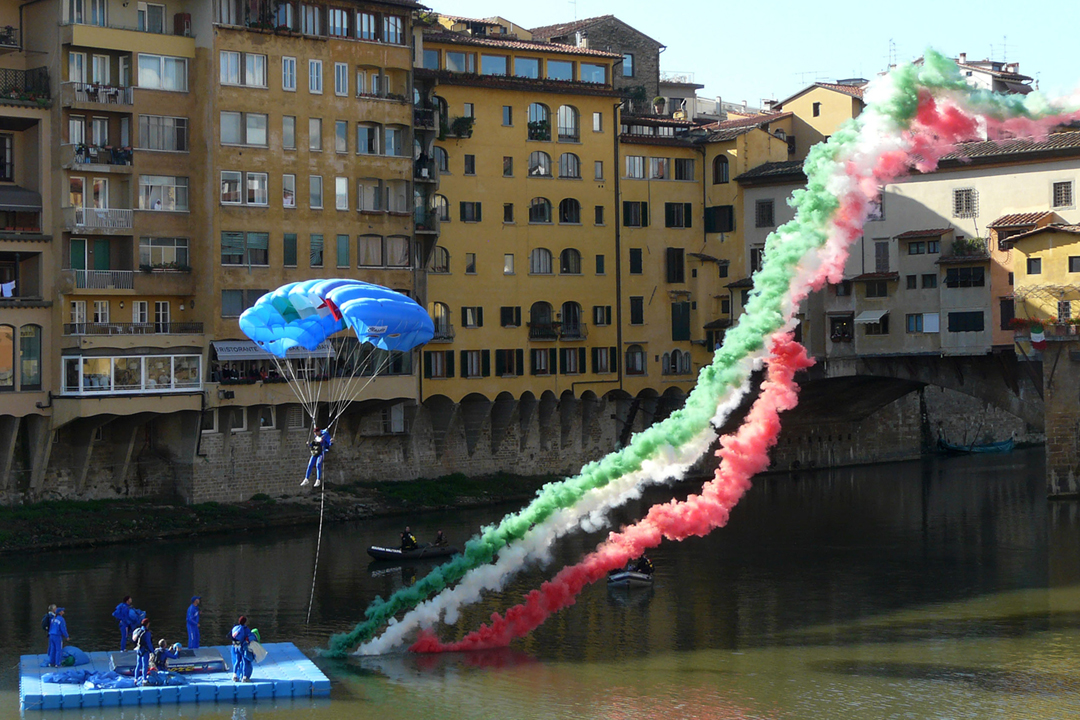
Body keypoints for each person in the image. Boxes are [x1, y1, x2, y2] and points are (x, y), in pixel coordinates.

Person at [230, 616, 255, 682]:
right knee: (245, 661)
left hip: (235, 647)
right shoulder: (245, 629)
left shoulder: (235, 628)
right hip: (242, 648)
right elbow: (250, 637)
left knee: (237, 661)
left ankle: (234, 675)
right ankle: (244, 677)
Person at [133, 618, 152, 685]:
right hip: (145, 650)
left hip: (138, 649)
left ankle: (135, 679)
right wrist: (152, 651)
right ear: (147, 624)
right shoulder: (147, 632)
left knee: (138, 664)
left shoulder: (138, 630)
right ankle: (144, 679)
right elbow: (149, 642)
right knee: (145, 665)